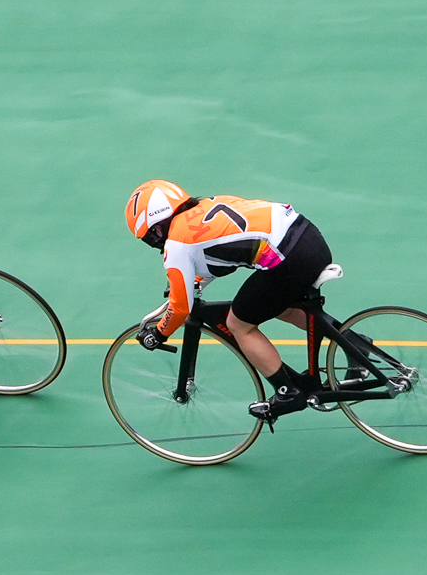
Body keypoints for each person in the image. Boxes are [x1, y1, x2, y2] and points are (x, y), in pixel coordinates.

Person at [125, 180, 337, 422]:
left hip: (289, 260)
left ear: (157, 228)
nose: (155, 244)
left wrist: (159, 333)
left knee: (239, 324)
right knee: (280, 306)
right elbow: (222, 255)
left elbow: (182, 306)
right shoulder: (205, 206)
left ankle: (288, 393)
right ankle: (356, 343)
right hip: (308, 237)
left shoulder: (177, 243)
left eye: (150, 238)